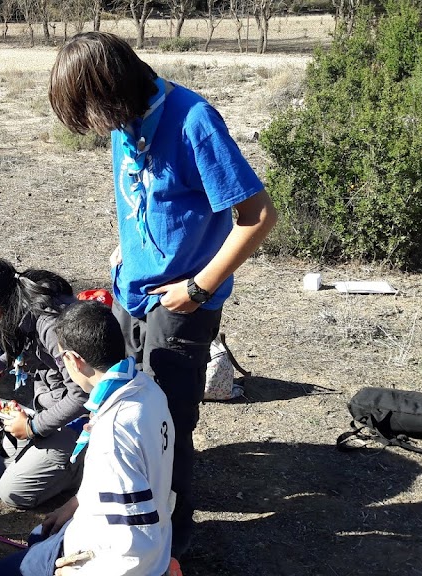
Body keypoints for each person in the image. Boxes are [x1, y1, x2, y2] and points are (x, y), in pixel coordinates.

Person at [49, 32, 278, 557]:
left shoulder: (194, 120)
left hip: (180, 307)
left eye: (89, 108)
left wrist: (198, 289)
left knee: (169, 425)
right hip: (129, 293)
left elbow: (258, 217)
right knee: (123, 409)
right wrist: (126, 248)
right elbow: (142, 198)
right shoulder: (123, 121)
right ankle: (125, 519)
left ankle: (169, 546)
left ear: (113, 89)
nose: (94, 125)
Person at [0, 300, 175, 576]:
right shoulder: (145, 388)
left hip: (111, 559)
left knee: (0, 572)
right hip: (142, 536)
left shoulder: (114, 431)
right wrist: (76, 504)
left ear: (74, 360)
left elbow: (137, 544)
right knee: (37, 538)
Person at [0, 256, 85, 509]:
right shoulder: (22, 297)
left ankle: (85, 468)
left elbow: (82, 396)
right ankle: (54, 461)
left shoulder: (51, 324)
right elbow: (23, 344)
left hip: (78, 422)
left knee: (13, 492)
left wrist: (32, 427)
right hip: (50, 407)